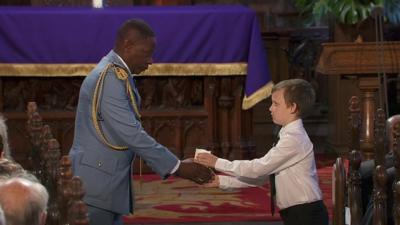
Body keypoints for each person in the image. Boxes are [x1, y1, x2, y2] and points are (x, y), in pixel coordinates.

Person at [68, 18, 213, 225]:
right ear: (128, 46)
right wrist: (178, 167)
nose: (151, 61)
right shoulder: (110, 78)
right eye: (146, 54)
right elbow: (131, 134)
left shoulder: (115, 73)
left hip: (102, 179)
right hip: (97, 184)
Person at [195, 79, 329, 225]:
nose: (270, 108)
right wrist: (222, 181)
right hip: (297, 213)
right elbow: (264, 176)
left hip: (306, 215)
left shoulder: (294, 139)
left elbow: (258, 169)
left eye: (276, 104)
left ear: (292, 107)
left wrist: (217, 162)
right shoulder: (287, 135)